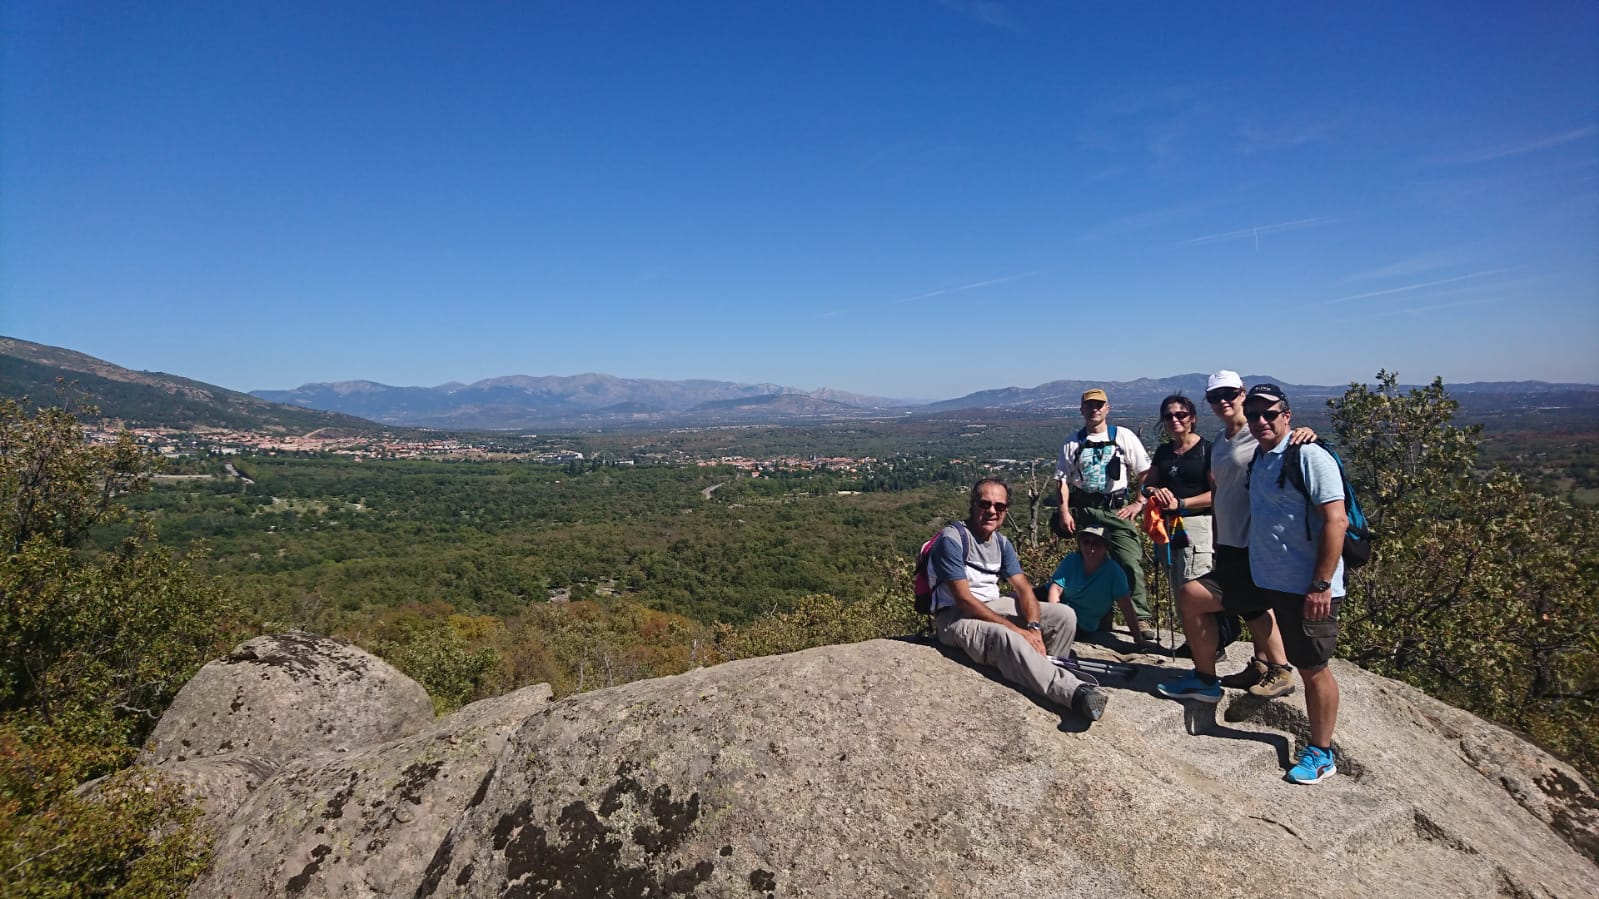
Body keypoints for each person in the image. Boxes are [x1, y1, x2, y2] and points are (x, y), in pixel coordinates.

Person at [1163, 384, 1347, 784]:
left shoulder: (1309, 455)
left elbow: (1336, 520)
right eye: (1257, 413)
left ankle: (1321, 752)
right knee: (1193, 596)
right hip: (1259, 571)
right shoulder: (1260, 459)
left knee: (1313, 667)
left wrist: (1321, 584)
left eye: (1271, 413)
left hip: (1302, 583)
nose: (1263, 420)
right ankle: (1206, 680)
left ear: (1288, 415)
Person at [1157, 372, 1303, 704]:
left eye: (1229, 393)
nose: (1222, 400)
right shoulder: (1222, 441)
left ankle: (1272, 670)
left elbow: (1289, 446)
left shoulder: (1260, 436)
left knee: (1205, 597)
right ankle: (1262, 664)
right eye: (1214, 396)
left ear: (1242, 393)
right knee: (1249, 606)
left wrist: (1305, 435)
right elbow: (1220, 491)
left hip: (1257, 539)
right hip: (1230, 538)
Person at [931, 478, 1108, 722]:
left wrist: (1034, 627)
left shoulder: (1002, 544)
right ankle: (1073, 693)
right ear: (973, 505)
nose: (992, 511)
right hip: (953, 617)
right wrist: (1019, 631)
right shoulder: (952, 539)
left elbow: (1024, 589)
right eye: (985, 504)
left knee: (1064, 615)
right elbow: (963, 599)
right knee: (1006, 636)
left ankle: (1045, 669)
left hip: (991, 606)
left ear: (1006, 510)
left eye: (1000, 506)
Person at [1053, 388, 1156, 644]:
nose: (1094, 409)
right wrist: (1064, 510)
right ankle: (1100, 616)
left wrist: (1139, 503)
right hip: (1086, 509)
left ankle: (1140, 616)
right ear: (1082, 410)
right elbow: (1063, 480)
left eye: (1099, 405)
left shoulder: (1123, 436)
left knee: (1128, 560)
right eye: (1089, 406)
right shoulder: (1073, 442)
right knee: (1090, 563)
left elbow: (1145, 472)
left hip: (1116, 508)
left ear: (1108, 408)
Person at [1141, 394, 1214, 606]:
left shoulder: (1206, 450)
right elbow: (1147, 486)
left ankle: (1202, 639)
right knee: (1177, 587)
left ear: (1193, 418)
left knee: (1194, 586)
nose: (1175, 420)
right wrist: (1156, 492)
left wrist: (1181, 503)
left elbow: (1216, 494)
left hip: (1197, 525)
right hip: (1166, 526)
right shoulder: (1164, 451)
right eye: (1168, 416)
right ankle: (1190, 638)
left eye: (1181, 414)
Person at [1043, 525, 1139, 641]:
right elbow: (1056, 589)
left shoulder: (1114, 572)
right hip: (1055, 605)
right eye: (1086, 542)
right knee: (1021, 599)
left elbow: (1126, 607)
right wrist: (1054, 615)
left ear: (1106, 547)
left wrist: (1138, 638)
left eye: (1096, 543)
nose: (1090, 547)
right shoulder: (1072, 560)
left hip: (1080, 623)